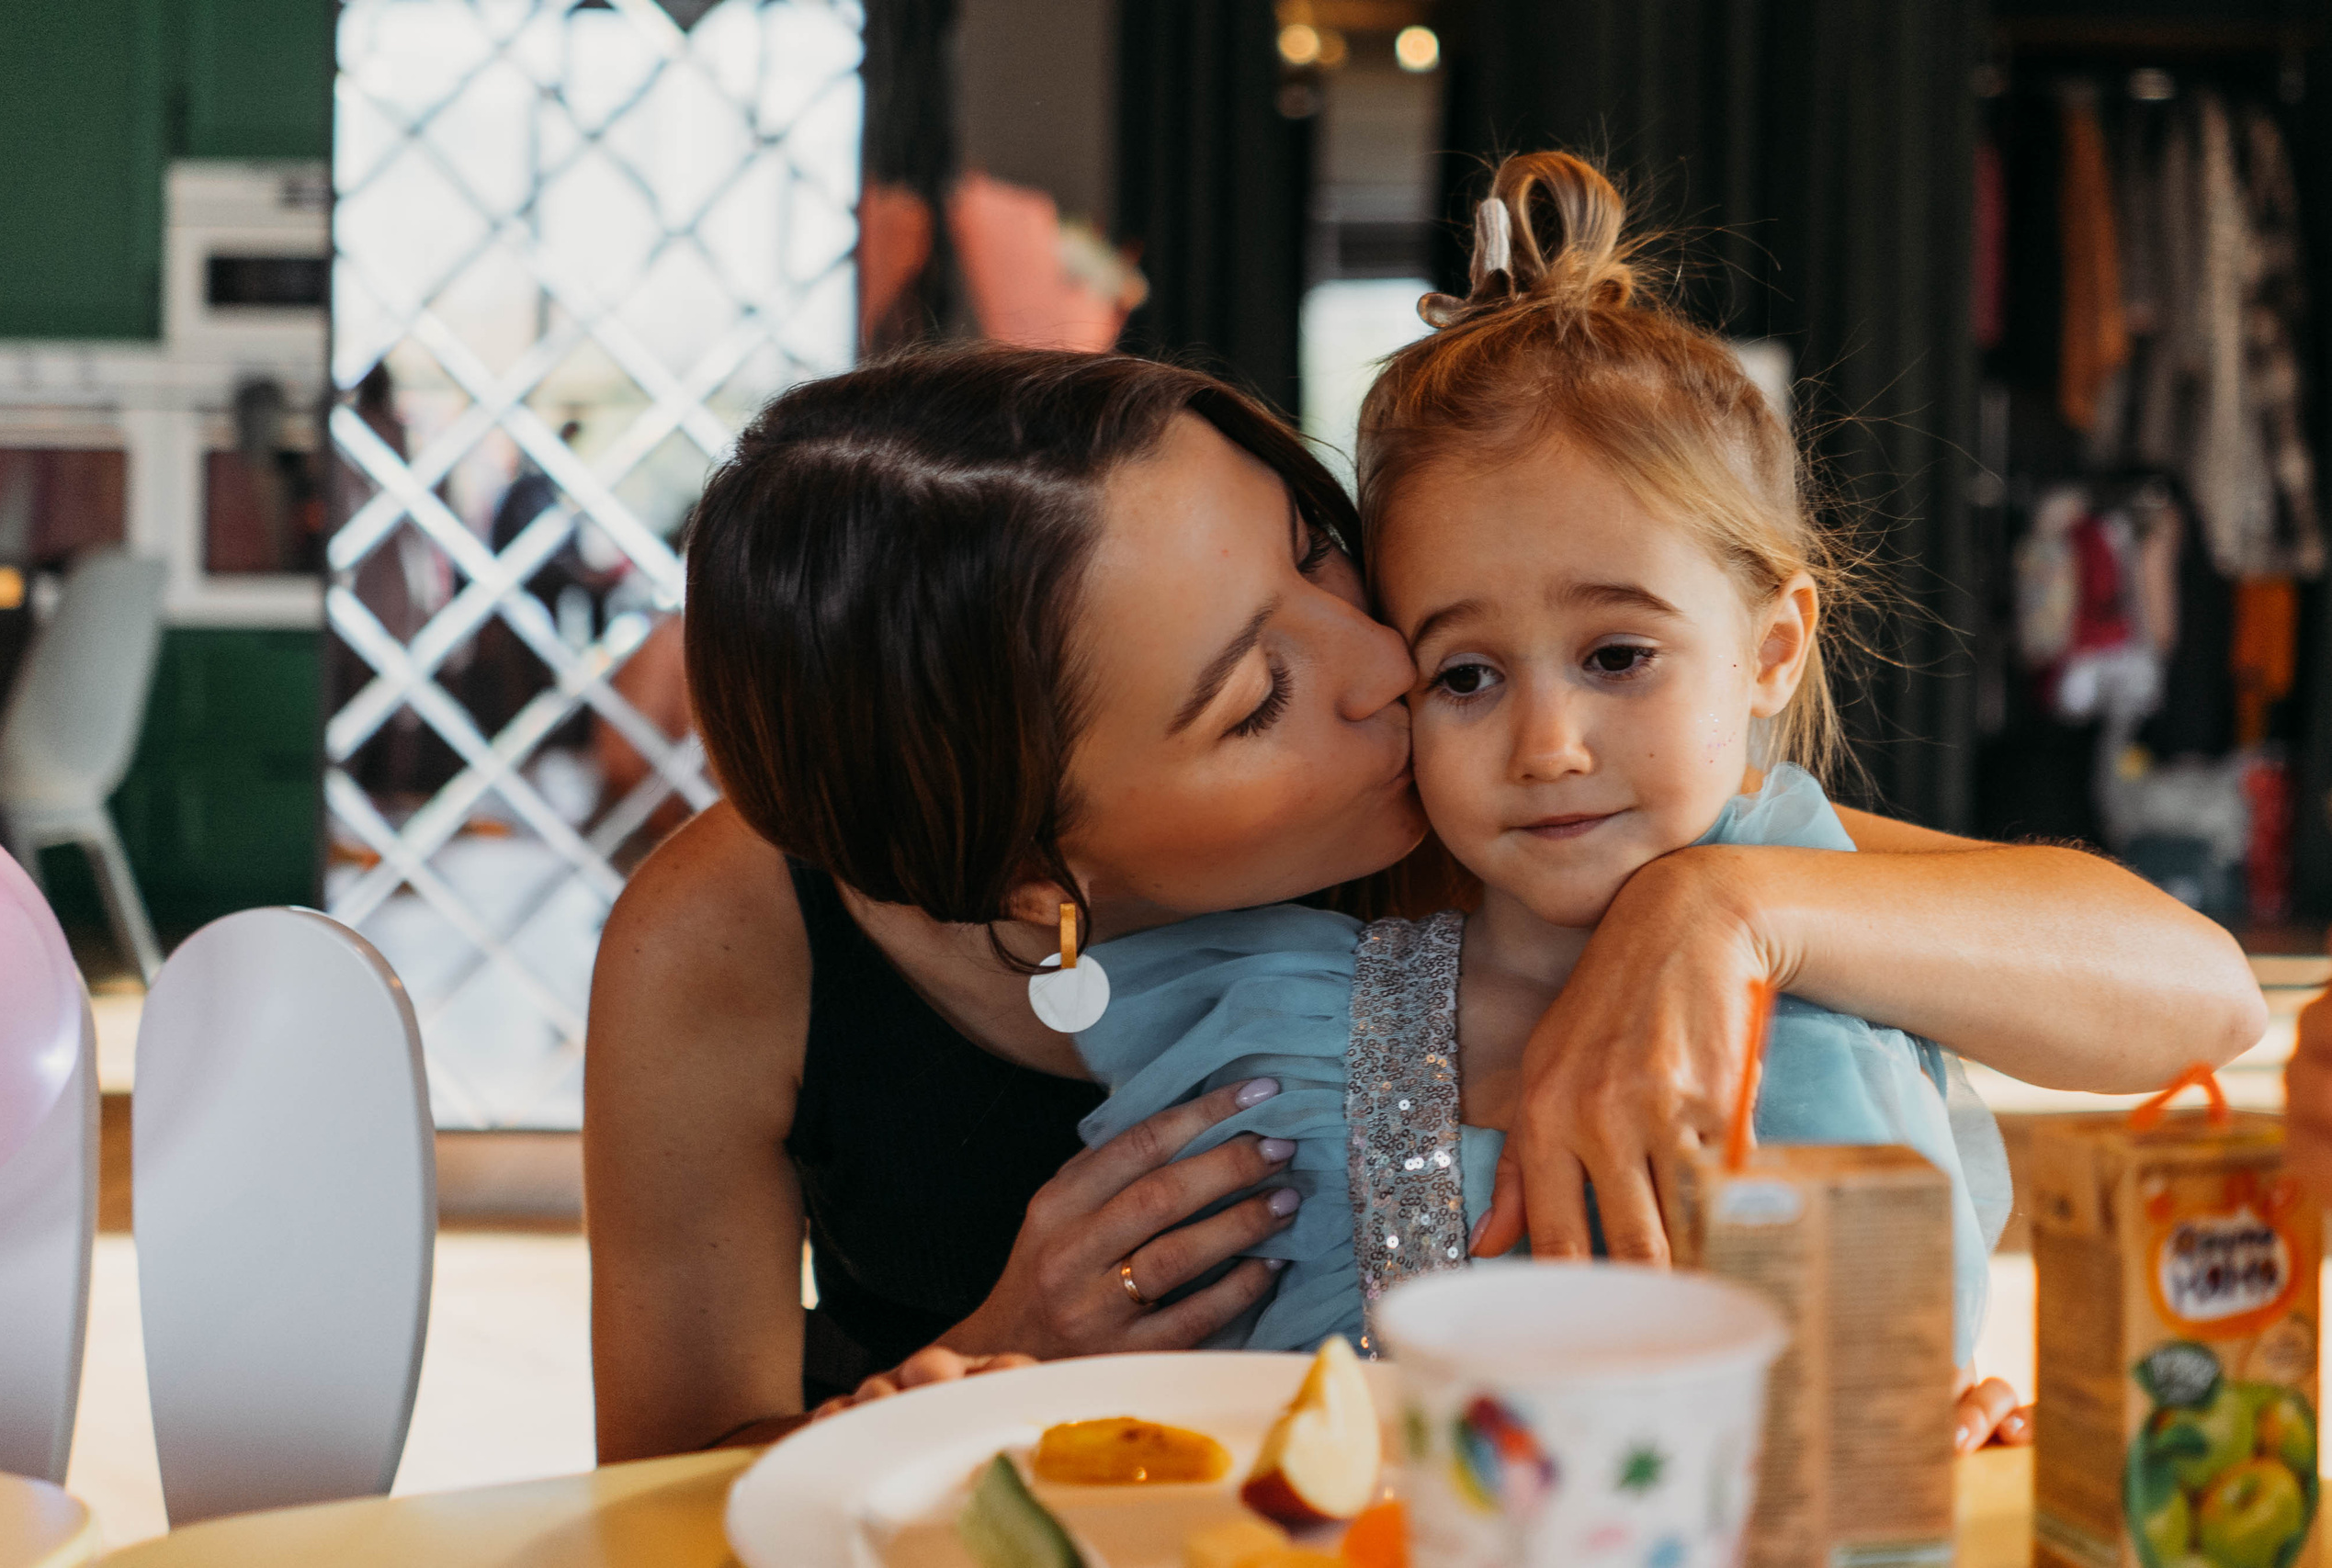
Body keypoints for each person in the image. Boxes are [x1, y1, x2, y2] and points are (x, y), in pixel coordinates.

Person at [588, 341, 2265, 1463]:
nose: (1389, 666)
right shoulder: (727, 945)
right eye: (1256, 697)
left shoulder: (1497, 795)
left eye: (1317, 558)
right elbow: (657, 1491)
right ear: (1046, 872)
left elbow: (2189, 987)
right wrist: (1000, 1361)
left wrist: (1721, 907)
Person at [1071, 150, 2039, 1440]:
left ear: (1771, 649)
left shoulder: (1860, 960)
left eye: (1618, 657)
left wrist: (1940, 1427)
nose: (1547, 745)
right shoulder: (1289, 1035)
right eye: (1464, 674)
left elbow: (1873, 1423)